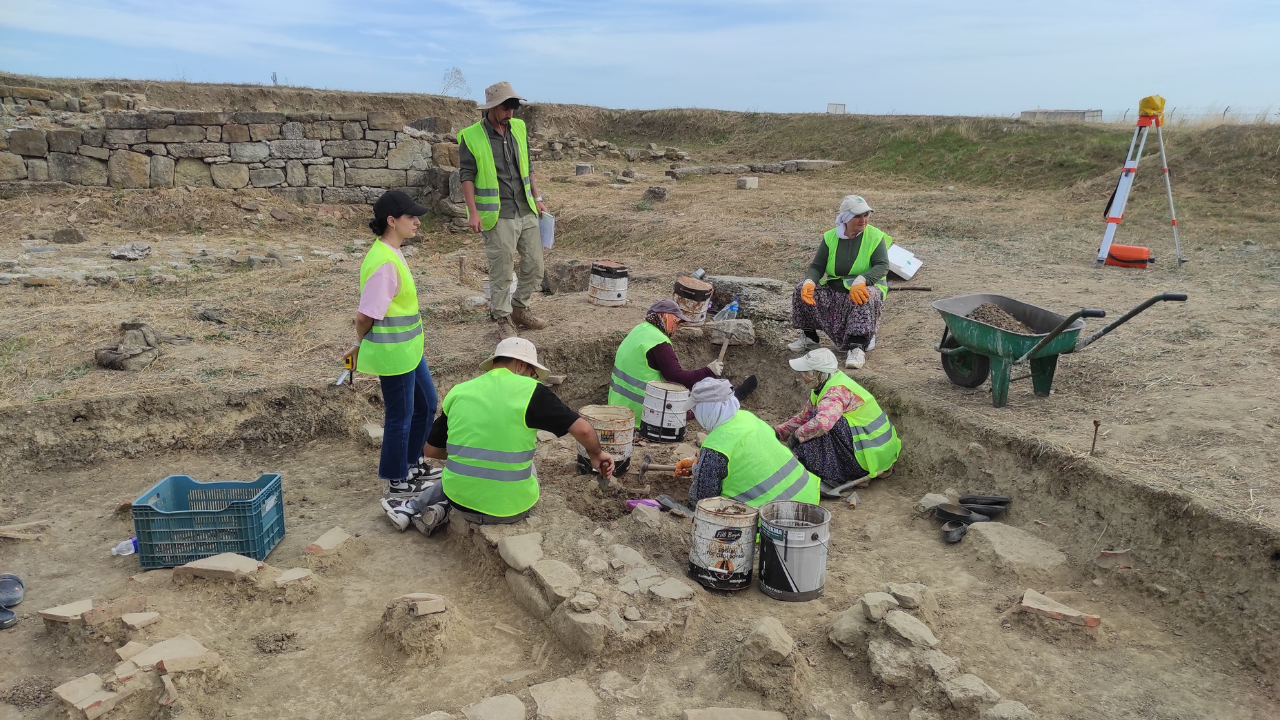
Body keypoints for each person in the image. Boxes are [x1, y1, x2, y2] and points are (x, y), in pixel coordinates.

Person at [381, 338, 615, 535]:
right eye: (533, 373)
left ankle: (424, 507)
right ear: (521, 365)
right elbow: (583, 430)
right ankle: (436, 508)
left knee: (464, 469)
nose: (532, 379)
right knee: (526, 467)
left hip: (460, 502)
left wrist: (465, 453)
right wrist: (597, 453)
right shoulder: (532, 392)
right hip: (512, 510)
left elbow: (430, 451)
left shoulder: (459, 391)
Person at [343, 190, 439, 498]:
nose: (417, 222)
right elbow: (364, 316)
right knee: (401, 415)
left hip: (409, 350)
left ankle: (413, 462)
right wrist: (359, 345)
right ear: (391, 221)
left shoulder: (393, 252)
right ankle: (398, 480)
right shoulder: (384, 263)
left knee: (426, 404)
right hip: (394, 354)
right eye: (411, 217)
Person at [459, 81, 549, 339]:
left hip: (526, 209)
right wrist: (473, 212)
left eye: (514, 106)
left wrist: (538, 197)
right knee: (501, 271)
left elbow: (528, 166)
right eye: (507, 107)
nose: (511, 112)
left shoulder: (519, 128)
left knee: (535, 266)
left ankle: (520, 308)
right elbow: (466, 175)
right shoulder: (471, 136)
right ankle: (502, 318)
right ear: (493, 107)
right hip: (497, 215)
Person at [775, 349, 901, 498]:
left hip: (871, 456)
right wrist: (777, 432)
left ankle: (833, 475)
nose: (803, 377)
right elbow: (804, 416)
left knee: (818, 425)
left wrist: (796, 436)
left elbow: (822, 424)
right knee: (813, 422)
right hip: (876, 451)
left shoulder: (835, 391)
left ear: (820, 373)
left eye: (807, 373)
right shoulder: (825, 385)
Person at [789, 194, 894, 369]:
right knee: (802, 289)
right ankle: (810, 337)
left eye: (866, 215)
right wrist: (810, 281)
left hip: (866, 285)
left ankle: (857, 347)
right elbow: (817, 266)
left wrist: (862, 280)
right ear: (845, 218)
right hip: (836, 287)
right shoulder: (830, 237)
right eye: (858, 216)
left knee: (863, 296)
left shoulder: (875, 236)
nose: (863, 220)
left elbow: (882, 265)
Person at [685, 378, 819, 508]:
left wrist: (699, 470)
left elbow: (703, 500)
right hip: (808, 498)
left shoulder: (714, 446)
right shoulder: (748, 417)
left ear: (705, 410)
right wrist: (700, 462)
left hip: (776, 518)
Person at [608, 299, 729, 427]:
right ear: (664, 317)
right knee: (693, 406)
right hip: (643, 414)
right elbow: (677, 379)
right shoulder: (659, 342)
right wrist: (709, 371)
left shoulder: (639, 330)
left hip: (617, 409)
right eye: (676, 322)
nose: (676, 328)